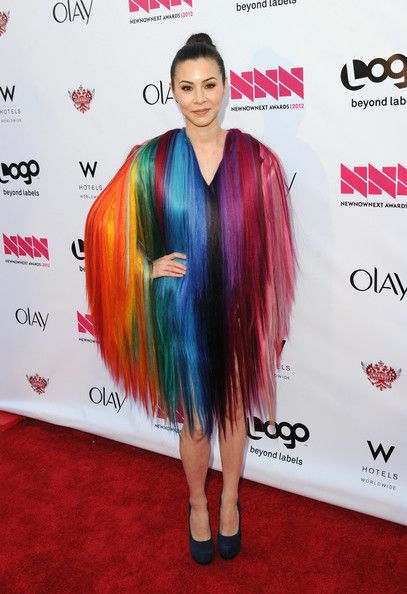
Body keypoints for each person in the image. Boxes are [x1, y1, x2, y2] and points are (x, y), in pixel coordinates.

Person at [84, 33, 295, 564]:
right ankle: (198, 502)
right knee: (197, 422)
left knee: (233, 415)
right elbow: (102, 227)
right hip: (181, 316)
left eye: (209, 85)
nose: (199, 98)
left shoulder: (259, 160)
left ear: (226, 87)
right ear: (172, 92)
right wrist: (144, 266)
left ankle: (230, 500)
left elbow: (272, 247)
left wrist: (264, 315)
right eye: (187, 87)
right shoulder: (150, 160)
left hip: (238, 311)